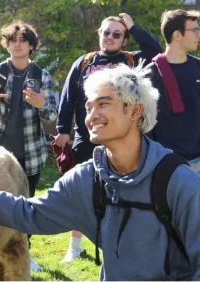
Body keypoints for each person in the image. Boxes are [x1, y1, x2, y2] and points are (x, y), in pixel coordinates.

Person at [0, 64, 200, 281]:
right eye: (89, 107)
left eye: (103, 104)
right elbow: (28, 214)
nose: (92, 115)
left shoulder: (178, 181)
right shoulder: (87, 180)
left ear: (134, 111)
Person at [54, 13, 162, 263]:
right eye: (106, 32)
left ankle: (118, 242)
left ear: (124, 40)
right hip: (87, 137)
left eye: (117, 34)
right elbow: (68, 96)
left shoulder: (132, 60)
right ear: (99, 35)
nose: (110, 37)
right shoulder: (84, 62)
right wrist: (63, 129)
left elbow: (155, 50)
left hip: (124, 139)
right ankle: (75, 246)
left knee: (121, 191)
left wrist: (133, 26)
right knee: (82, 190)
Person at [0, 20, 58, 271]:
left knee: (26, 205)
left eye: (22, 40)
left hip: (29, 155)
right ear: (7, 44)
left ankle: (24, 254)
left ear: (31, 45)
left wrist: (42, 105)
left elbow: (52, 117)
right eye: (12, 40)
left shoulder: (41, 76)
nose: (17, 45)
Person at [146, 10, 200, 191]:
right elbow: (145, 125)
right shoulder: (148, 76)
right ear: (177, 35)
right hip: (166, 164)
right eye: (195, 30)